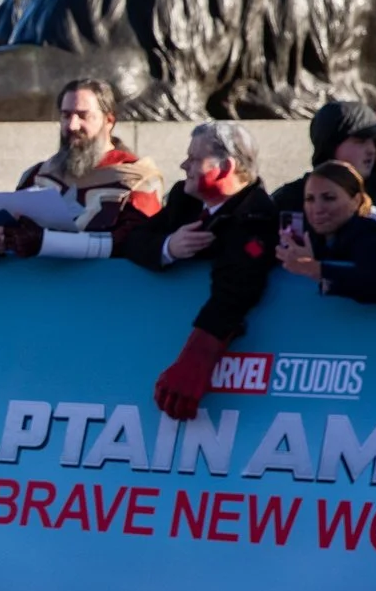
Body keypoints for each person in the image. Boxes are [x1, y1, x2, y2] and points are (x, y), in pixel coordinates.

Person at [113, 122, 280, 421]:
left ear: (225, 168)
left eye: (194, 159)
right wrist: (169, 247)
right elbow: (133, 240)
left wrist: (196, 361)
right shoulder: (185, 199)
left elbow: (235, 292)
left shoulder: (256, 217)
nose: (183, 166)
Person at [0, 81, 164, 260]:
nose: (72, 125)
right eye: (66, 115)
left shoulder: (138, 179)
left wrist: (47, 243)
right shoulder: (37, 175)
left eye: (83, 116)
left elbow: (136, 243)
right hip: (39, 280)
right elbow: (16, 234)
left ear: (108, 121)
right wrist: (0, 241)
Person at [277, 161, 376, 301]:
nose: (318, 208)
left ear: (356, 201)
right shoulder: (314, 238)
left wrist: (314, 268)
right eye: (310, 199)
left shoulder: (367, 234)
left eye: (329, 198)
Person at [271, 100, 376, 214]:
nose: (372, 150)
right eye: (361, 141)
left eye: (374, 141)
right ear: (330, 145)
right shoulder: (288, 201)